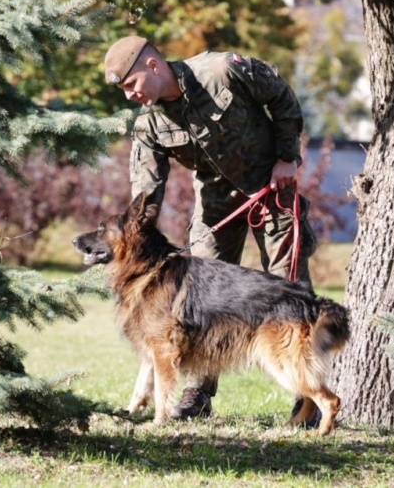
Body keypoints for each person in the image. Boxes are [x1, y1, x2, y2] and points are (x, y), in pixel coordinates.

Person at [104, 35, 318, 421]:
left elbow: (282, 97)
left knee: (288, 284)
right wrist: (133, 246)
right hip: (217, 203)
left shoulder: (222, 71)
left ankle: (306, 402)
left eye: (131, 85)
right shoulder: (149, 124)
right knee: (197, 295)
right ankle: (196, 396)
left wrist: (287, 157)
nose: (129, 96)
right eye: (123, 91)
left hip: (273, 186)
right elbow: (145, 196)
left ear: (153, 66)